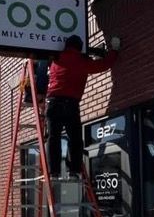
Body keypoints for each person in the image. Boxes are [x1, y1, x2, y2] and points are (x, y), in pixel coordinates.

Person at [46, 35, 120, 179]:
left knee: (53, 138)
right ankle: (73, 171)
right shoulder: (81, 61)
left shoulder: (56, 60)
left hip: (53, 102)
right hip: (70, 104)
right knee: (74, 138)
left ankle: (53, 172)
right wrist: (115, 50)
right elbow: (104, 65)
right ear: (80, 48)